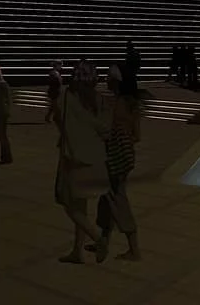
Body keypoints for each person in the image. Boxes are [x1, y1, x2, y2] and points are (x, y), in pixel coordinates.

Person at [54, 60, 110, 265]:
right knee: (82, 206)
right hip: (95, 157)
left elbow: (60, 122)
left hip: (74, 158)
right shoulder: (99, 99)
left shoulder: (67, 98)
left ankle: (99, 239)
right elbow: (105, 129)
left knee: (70, 206)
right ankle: (77, 252)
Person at [95, 66, 142, 261]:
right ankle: (103, 240)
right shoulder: (132, 104)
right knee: (107, 199)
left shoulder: (113, 104)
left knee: (117, 198)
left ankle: (134, 249)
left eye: (108, 78)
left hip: (114, 159)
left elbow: (103, 132)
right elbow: (137, 136)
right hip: (125, 157)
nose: (105, 80)